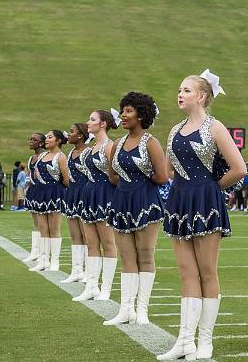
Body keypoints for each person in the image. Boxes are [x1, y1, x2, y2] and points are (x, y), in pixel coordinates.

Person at [159, 71, 246, 361]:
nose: (180, 94)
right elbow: (170, 169)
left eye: (186, 89)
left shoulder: (215, 127)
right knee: (186, 272)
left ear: (202, 96)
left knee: (207, 271)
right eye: (179, 89)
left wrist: (210, 188)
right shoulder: (174, 130)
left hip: (205, 201)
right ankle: (185, 341)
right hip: (180, 201)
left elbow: (239, 169)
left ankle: (205, 340)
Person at [104, 92, 168, 326]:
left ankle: (142, 310)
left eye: (129, 111)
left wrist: (139, 179)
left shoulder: (151, 142)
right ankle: (126, 309)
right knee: (127, 258)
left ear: (141, 115)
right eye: (123, 110)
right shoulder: (117, 144)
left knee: (145, 255)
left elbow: (162, 177)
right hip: (121, 201)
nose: (123, 115)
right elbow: (112, 176)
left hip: (146, 201)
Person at [73, 110, 119, 302]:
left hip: (105, 195)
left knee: (108, 244)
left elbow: (115, 176)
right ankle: (91, 286)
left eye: (92, 119)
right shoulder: (91, 148)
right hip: (89, 195)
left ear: (103, 124)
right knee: (91, 243)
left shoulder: (109, 147)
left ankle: (105, 288)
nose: (88, 122)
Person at [28, 130, 69, 272]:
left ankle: (54, 261)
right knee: (43, 228)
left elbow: (66, 180)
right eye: (46, 137)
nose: (46, 139)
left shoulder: (61, 157)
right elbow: (35, 173)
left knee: (54, 229)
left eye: (50, 137)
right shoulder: (43, 155)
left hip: (54, 193)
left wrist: (56, 188)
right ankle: (43, 260)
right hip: (40, 193)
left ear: (58, 140)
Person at [60, 124, 90, 283]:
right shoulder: (70, 152)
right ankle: (76, 270)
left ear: (80, 135)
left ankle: (88, 271)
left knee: (87, 236)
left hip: (84, 194)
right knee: (75, 235)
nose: (68, 134)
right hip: (72, 194)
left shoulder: (88, 152)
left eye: (71, 132)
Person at [22, 133, 47, 262]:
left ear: (41, 143)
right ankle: (35, 251)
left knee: (42, 223)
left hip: (42, 190)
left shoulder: (45, 156)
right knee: (36, 223)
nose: (30, 141)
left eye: (34, 140)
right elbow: (31, 175)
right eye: (29, 139)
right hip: (33, 190)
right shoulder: (31, 157)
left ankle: (42, 252)